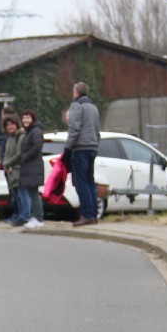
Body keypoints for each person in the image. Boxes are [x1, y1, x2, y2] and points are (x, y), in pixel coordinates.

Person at [64, 81, 101, 226]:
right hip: (92, 147)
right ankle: (93, 214)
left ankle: (86, 215)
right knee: (90, 182)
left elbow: (74, 127)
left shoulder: (76, 105)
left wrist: (68, 148)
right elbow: (97, 129)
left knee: (81, 183)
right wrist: (95, 143)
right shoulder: (93, 107)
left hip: (80, 148)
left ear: (76, 92)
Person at [1, 114, 28, 226]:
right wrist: (6, 165)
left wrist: (7, 163)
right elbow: (7, 154)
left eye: (12, 124)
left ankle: (25, 216)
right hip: (11, 171)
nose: (10, 127)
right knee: (16, 194)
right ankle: (20, 215)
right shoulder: (10, 137)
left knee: (22, 194)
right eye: (7, 125)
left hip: (18, 170)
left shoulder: (20, 136)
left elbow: (18, 154)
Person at [19, 110, 45, 228]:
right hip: (29, 167)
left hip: (33, 167)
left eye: (28, 117)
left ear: (33, 119)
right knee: (32, 192)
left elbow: (37, 147)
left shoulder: (35, 131)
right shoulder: (29, 132)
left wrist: (24, 157)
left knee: (34, 193)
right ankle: (36, 217)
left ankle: (39, 218)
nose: (25, 120)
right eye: (24, 118)